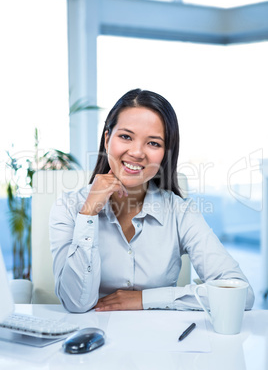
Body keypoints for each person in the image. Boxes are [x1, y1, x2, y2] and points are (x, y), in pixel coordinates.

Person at [49, 88, 255, 313]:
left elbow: (242, 295)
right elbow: (76, 304)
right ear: (108, 139)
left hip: (164, 341)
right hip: (92, 339)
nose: (137, 152)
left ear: (166, 153)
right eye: (126, 136)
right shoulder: (69, 207)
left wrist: (145, 299)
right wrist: (88, 213)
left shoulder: (180, 212)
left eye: (153, 143)